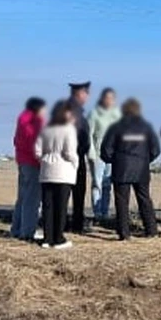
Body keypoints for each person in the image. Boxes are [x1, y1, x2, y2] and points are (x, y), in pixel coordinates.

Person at [100, 97, 160, 241]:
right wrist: (145, 160)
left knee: (122, 201)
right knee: (144, 199)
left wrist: (114, 160)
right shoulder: (146, 127)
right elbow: (156, 149)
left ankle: (124, 233)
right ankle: (151, 230)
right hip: (141, 169)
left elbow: (106, 150)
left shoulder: (116, 127)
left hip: (122, 168)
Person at [35, 100, 79, 249]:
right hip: (63, 171)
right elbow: (69, 152)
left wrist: (45, 159)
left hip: (47, 170)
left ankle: (47, 238)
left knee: (48, 205)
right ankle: (58, 238)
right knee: (61, 206)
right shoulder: (68, 129)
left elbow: (37, 150)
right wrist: (75, 164)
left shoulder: (46, 128)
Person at [11, 96, 46, 241]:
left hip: (22, 161)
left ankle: (17, 228)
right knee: (32, 199)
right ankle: (27, 231)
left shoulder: (22, 119)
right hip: (33, 162)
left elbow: (16, 140)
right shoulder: (36, 121)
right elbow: (37, 141)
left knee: (23, 197)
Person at [89, 87, 120, 220]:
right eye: (107, 97)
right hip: (98, 155)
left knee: (108, 184)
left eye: (111, 98)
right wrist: (91, 153)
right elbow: (89, 135)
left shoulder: (118, 114)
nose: (109, 100)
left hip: (113, 155)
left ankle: (105, 211)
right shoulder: (94, 114)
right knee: (97, 183)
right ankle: (97, 212)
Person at [67, 82, 92, 233]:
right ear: (80, 94)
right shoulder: (74, 112)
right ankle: (75, 225)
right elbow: (82, 138)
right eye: (86, 93)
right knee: (75, 193)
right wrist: (81, 151)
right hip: (74, 157)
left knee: (70, 193)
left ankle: (70, 223)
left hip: (72, 156)